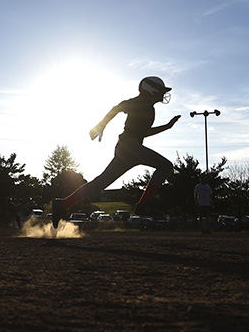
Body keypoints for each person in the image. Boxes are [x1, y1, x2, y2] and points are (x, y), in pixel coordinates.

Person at [52, 77, 181, 229]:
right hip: (130, 146)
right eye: (161, 91)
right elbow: (117, 108)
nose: (163, 94)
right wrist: (100, 126)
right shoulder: (139, 102)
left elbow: (143, 133)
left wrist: (167, 127)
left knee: (100, 183)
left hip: (129, 148)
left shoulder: (148, 108)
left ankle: (62, 204)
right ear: (150, 90)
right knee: (165, 166)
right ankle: (143, 205)